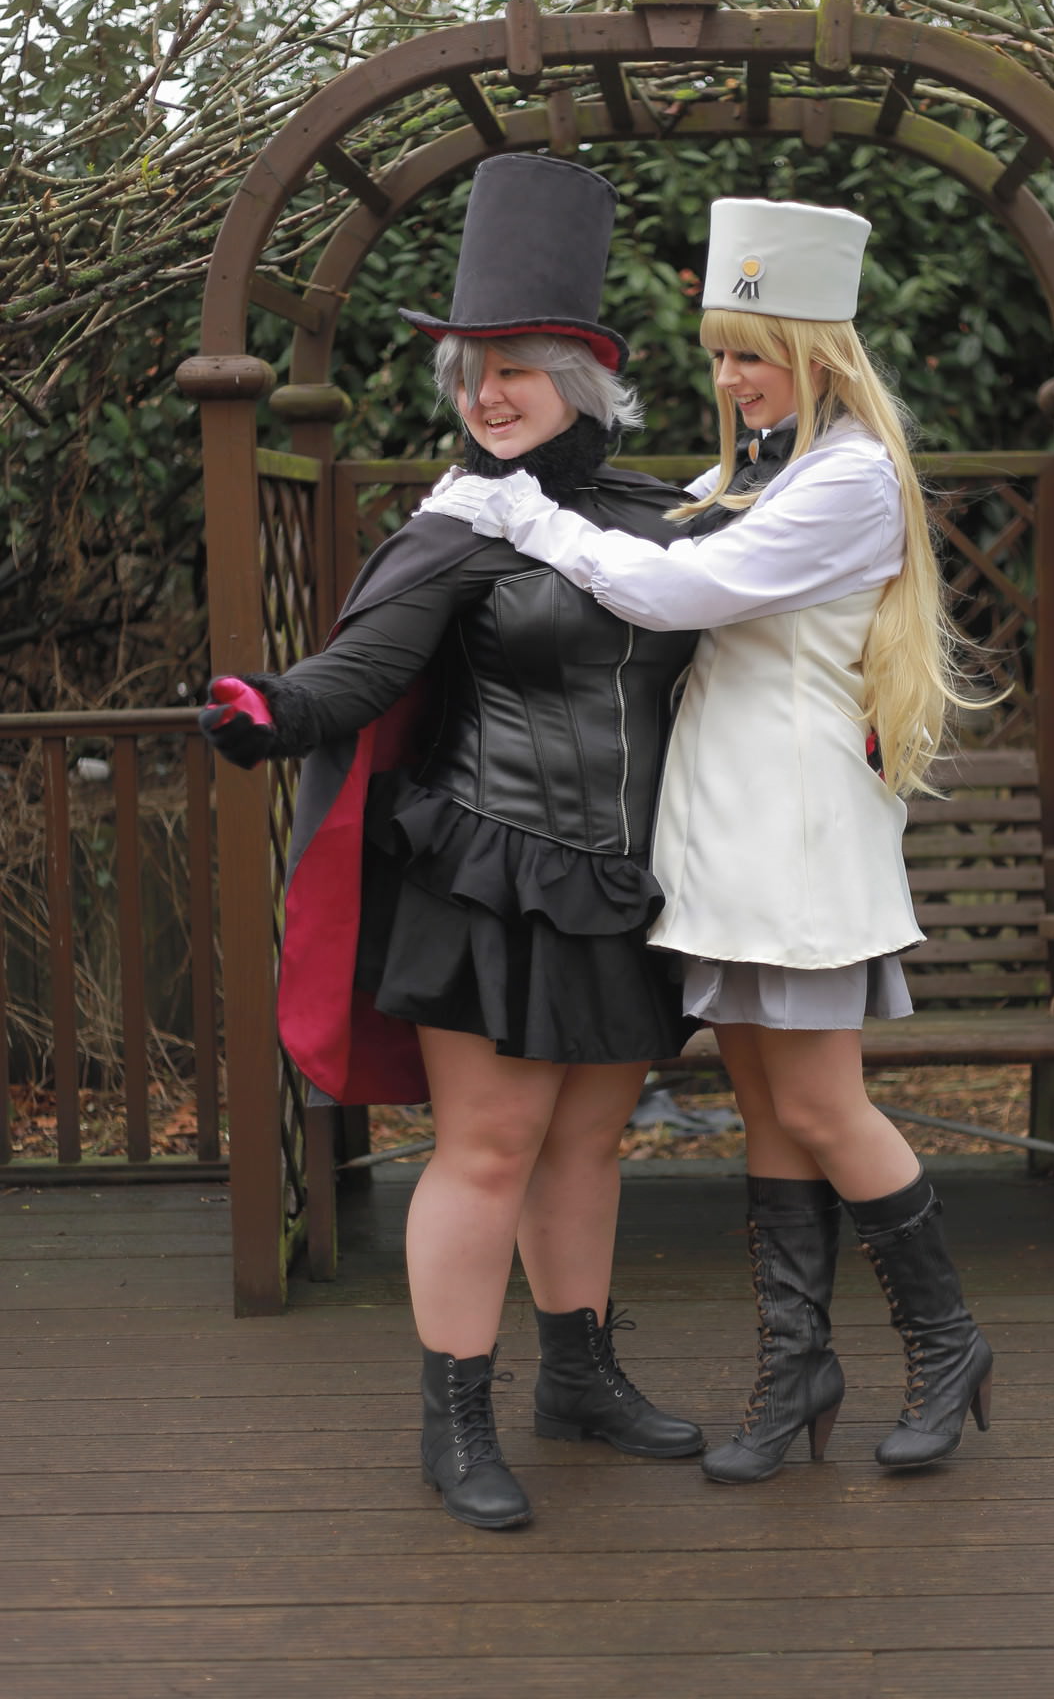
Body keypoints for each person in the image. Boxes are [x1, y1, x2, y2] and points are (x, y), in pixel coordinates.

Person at [421, 195, 994, 1478]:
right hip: (724, 831)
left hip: (794, 829)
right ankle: (795, 1378)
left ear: (818, 352)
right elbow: (648, 530)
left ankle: (949, 1342)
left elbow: (673, 586)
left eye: (753, 354)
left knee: (822, 1103)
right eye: (721, 354)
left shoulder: (848, 479)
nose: (730, 380)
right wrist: (527, 495)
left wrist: (513, 509)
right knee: (766, 1107)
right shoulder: (760, 471)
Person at [199, 153, 705, 1533]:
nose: (486, 394)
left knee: (588, 1143)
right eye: (471, 371)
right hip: (486, 879)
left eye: (514, 368)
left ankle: (580, 1380)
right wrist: (270, 709)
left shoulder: (660, 520)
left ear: (581, 379)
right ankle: (456, 1419)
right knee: (489, 1149)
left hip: (622, 885)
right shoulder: (460, 527)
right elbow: (358, 673)